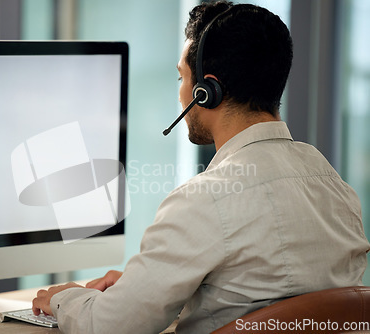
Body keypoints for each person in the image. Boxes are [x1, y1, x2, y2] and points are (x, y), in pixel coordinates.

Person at [33, 1, 370, 333]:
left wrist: (67, 300)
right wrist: (146, 289)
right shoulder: (334, 186)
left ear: (206, 91)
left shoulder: (204, 200)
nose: (180, 93)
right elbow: (272, 299)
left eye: (182, 78)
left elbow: (110, 326)